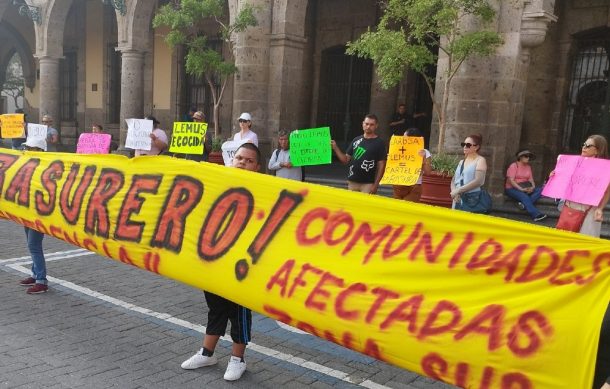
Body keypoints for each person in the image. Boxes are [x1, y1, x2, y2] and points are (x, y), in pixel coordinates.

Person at [181, 143, 261, 381]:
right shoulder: (220, 183)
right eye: (239, 158)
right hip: (216, 260)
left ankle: (238, 359)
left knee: (239, 313)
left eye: (248, 160)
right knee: (216, 307)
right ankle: (207, 353)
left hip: (242, 265)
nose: (242, 162)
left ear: (257, 167)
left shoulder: (267, 191)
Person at [18, 137, 49, 294]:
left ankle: (41, 281)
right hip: (27, 211)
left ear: (40, 151)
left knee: (33, 245)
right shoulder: (28, 165)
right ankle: (35, 273)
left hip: (38, 213)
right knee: (32, 245)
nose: (27, 150)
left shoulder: (46, 167)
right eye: (27, 147)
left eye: (31, 148)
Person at [331, 114, 387, 194]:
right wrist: (335, 147)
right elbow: (346, 160)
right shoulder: (356, 140)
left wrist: (376, 185)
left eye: (371, 125)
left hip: (368, 183)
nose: (368, 127)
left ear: (376, 126)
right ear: (363, 124)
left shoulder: (379, 143)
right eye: (366, 124)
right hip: (352, 181)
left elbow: (381, 166)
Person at [505, 149, 547, 221]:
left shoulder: (528, 167)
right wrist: (521, 189)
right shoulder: (514, 166)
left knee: (542, 189)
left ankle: (523, 205)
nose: (528, 158)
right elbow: (511, 181)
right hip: (512, 188)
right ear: (520, 157)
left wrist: (532, 187)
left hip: (526, 187)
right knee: (524, 196)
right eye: (526, 156)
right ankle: (536, 215)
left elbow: (531, 179)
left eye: (529, 157)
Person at [392, 128, 432, 201]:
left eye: (405, 138)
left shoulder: (425, 152)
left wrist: (423, 159)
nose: (403, 139)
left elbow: (428, 172)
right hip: (399, 184)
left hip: (414, 186)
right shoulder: (399, 149)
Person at [450, 134, 488, 210]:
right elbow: (454, 180)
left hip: (472, 199)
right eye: (463, 144)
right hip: (457, 198)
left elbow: (479, 181)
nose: (465, 147)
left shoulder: (480, 160)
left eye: (468, 145)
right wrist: (454, 191)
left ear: (476, 147)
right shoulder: (461, 162)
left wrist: (458, 190)